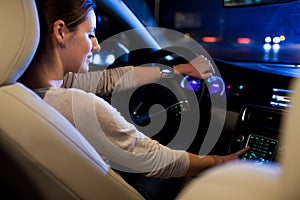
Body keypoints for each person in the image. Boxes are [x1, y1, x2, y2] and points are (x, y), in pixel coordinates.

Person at [20, 0, 248, 199]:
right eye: (90, 34)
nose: (97, 45)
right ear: (60, 31)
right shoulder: (80, 105)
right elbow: (160, 160)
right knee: (182, 146)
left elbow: (110, 79)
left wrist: (177, 69)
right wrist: (222, 163)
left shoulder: (21, 92)